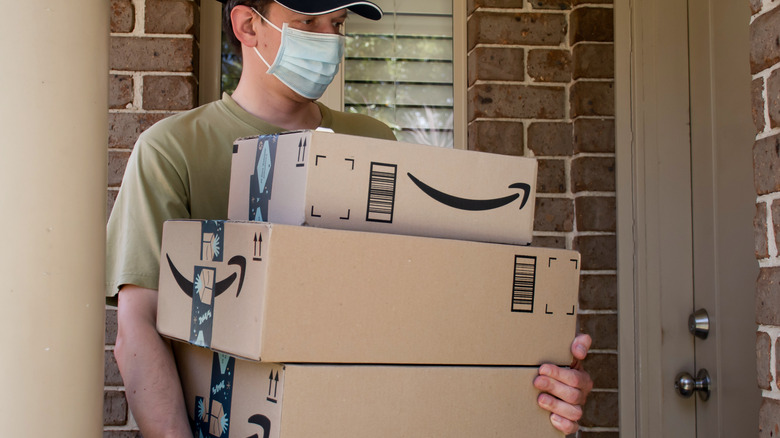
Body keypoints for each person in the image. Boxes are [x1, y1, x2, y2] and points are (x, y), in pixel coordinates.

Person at [107, 0, 593, 436]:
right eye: (306, 23)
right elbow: (138, 327)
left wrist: (535, 378)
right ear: (247, 26)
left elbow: (424, 300)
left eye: (336, 23)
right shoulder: (173, 150)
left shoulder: (374, 143)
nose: (327, 40)